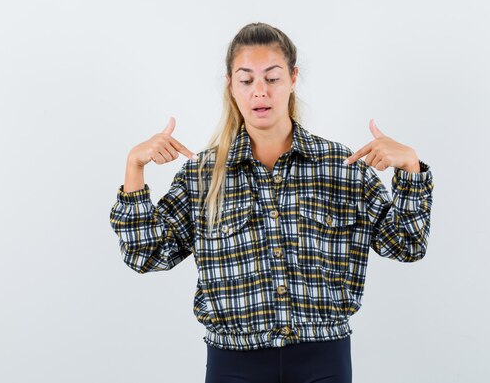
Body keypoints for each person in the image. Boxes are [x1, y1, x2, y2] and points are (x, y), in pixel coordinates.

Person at [109, 22, 434, 383]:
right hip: (233, 365)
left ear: (293, 78)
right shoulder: (202, 176)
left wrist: (410, 170)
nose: (259, 92)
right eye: (246, 80)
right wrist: (134, 167)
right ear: (230, 84)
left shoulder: (341, 167)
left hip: (323, 361)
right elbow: (146, 254)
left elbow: (406, 245)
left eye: (272, 78)